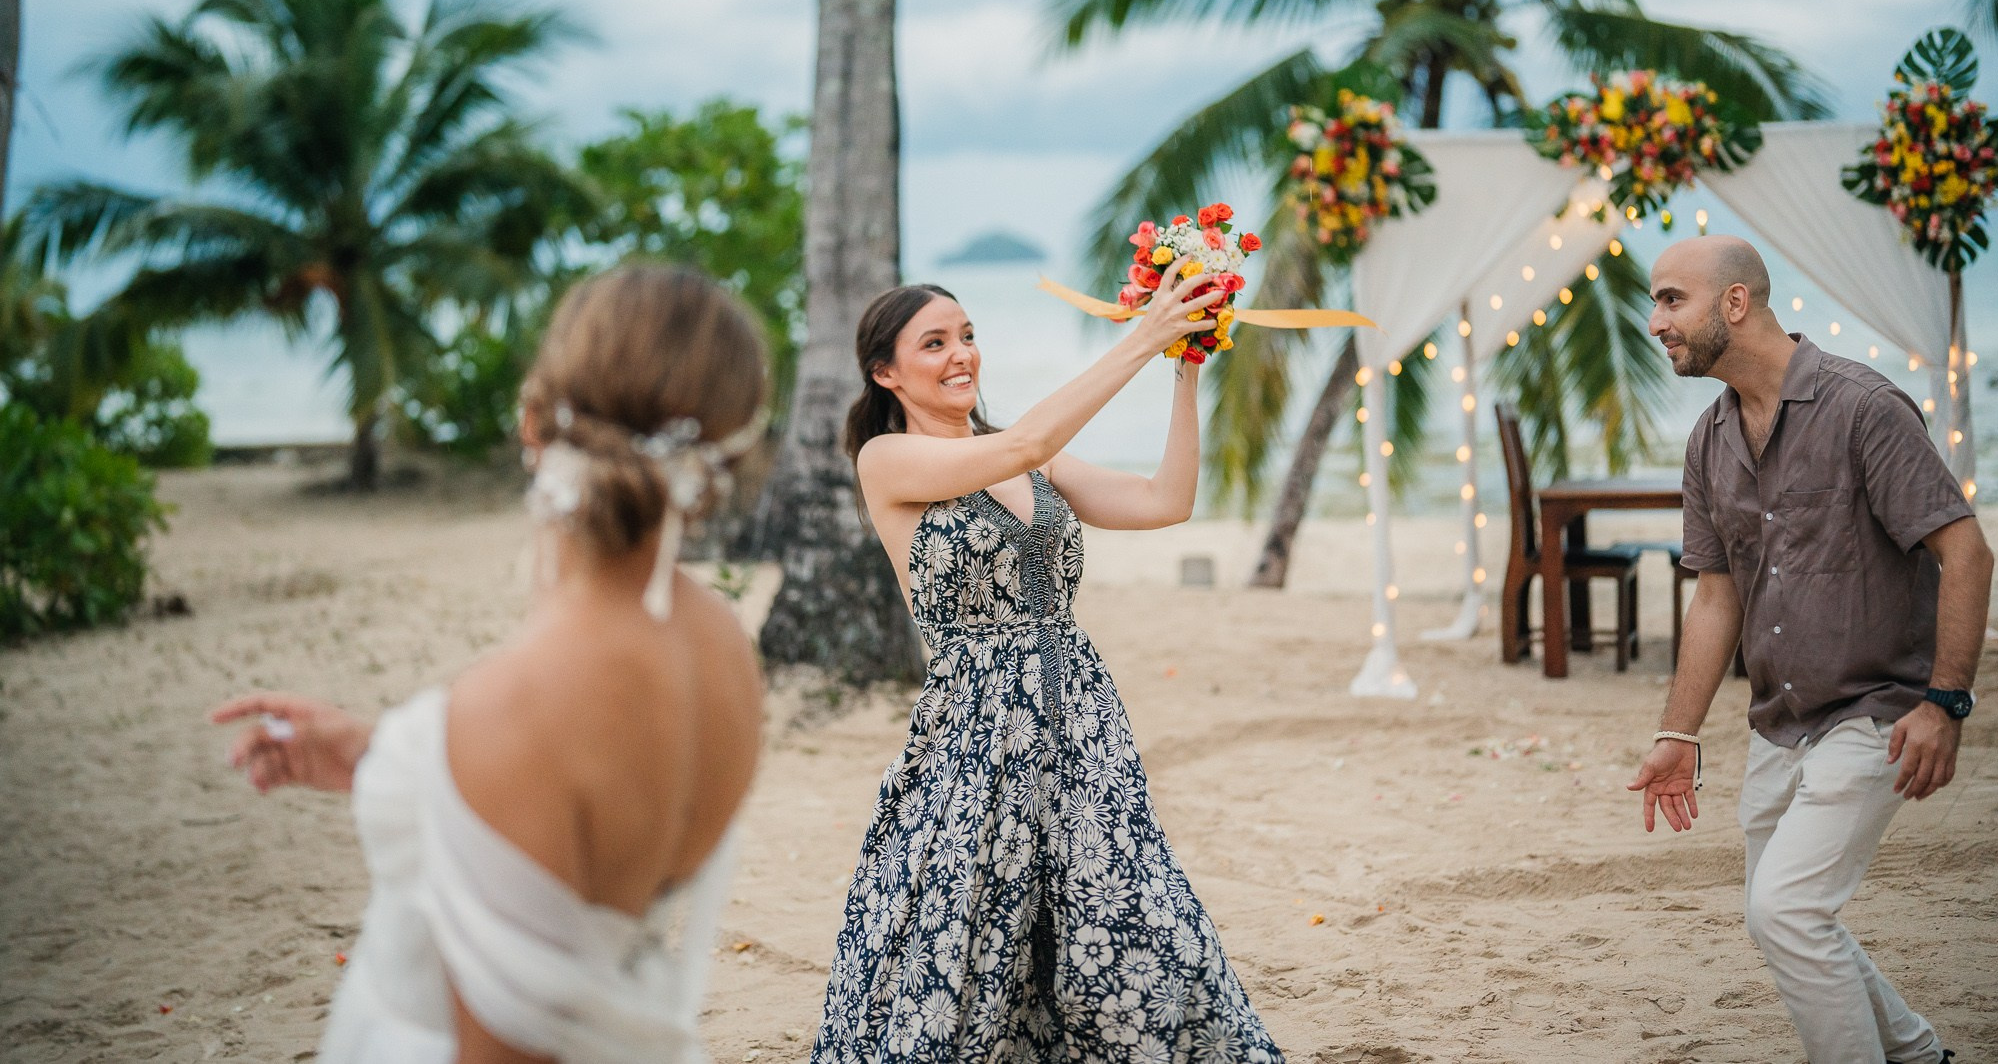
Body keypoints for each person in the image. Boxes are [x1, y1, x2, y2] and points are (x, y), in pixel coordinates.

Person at [210, 265, 770, 1064]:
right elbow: (587, 835)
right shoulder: (724, 648)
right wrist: (380, 753)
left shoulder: (512, 706)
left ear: (533, 419)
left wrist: (438, 752)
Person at [808, 270, 1285, 1062]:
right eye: (935, 343)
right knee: (973, 937)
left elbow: (1168, 500)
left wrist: (1185, 368)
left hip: (1081, 719)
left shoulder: (1035, 463)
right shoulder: (889, 459)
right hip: (977, 738)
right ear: (884, 372)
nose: (961, 355)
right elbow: (1026, 440)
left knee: (1128, 910)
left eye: (966, 334)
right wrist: (1143, 335)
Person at [1628, 236, 1992, 1064]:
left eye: (1672, 300)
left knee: (1786, 912)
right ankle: (1918, 1052)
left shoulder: (1864, 407)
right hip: (1780, 721)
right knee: (1783, 912)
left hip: (1877, 711)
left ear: (1735, 303)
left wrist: (1947, 702)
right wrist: (1677, 734)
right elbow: (1716, 595)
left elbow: (1967, 553)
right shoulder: (1708, 441)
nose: (1655, 321)